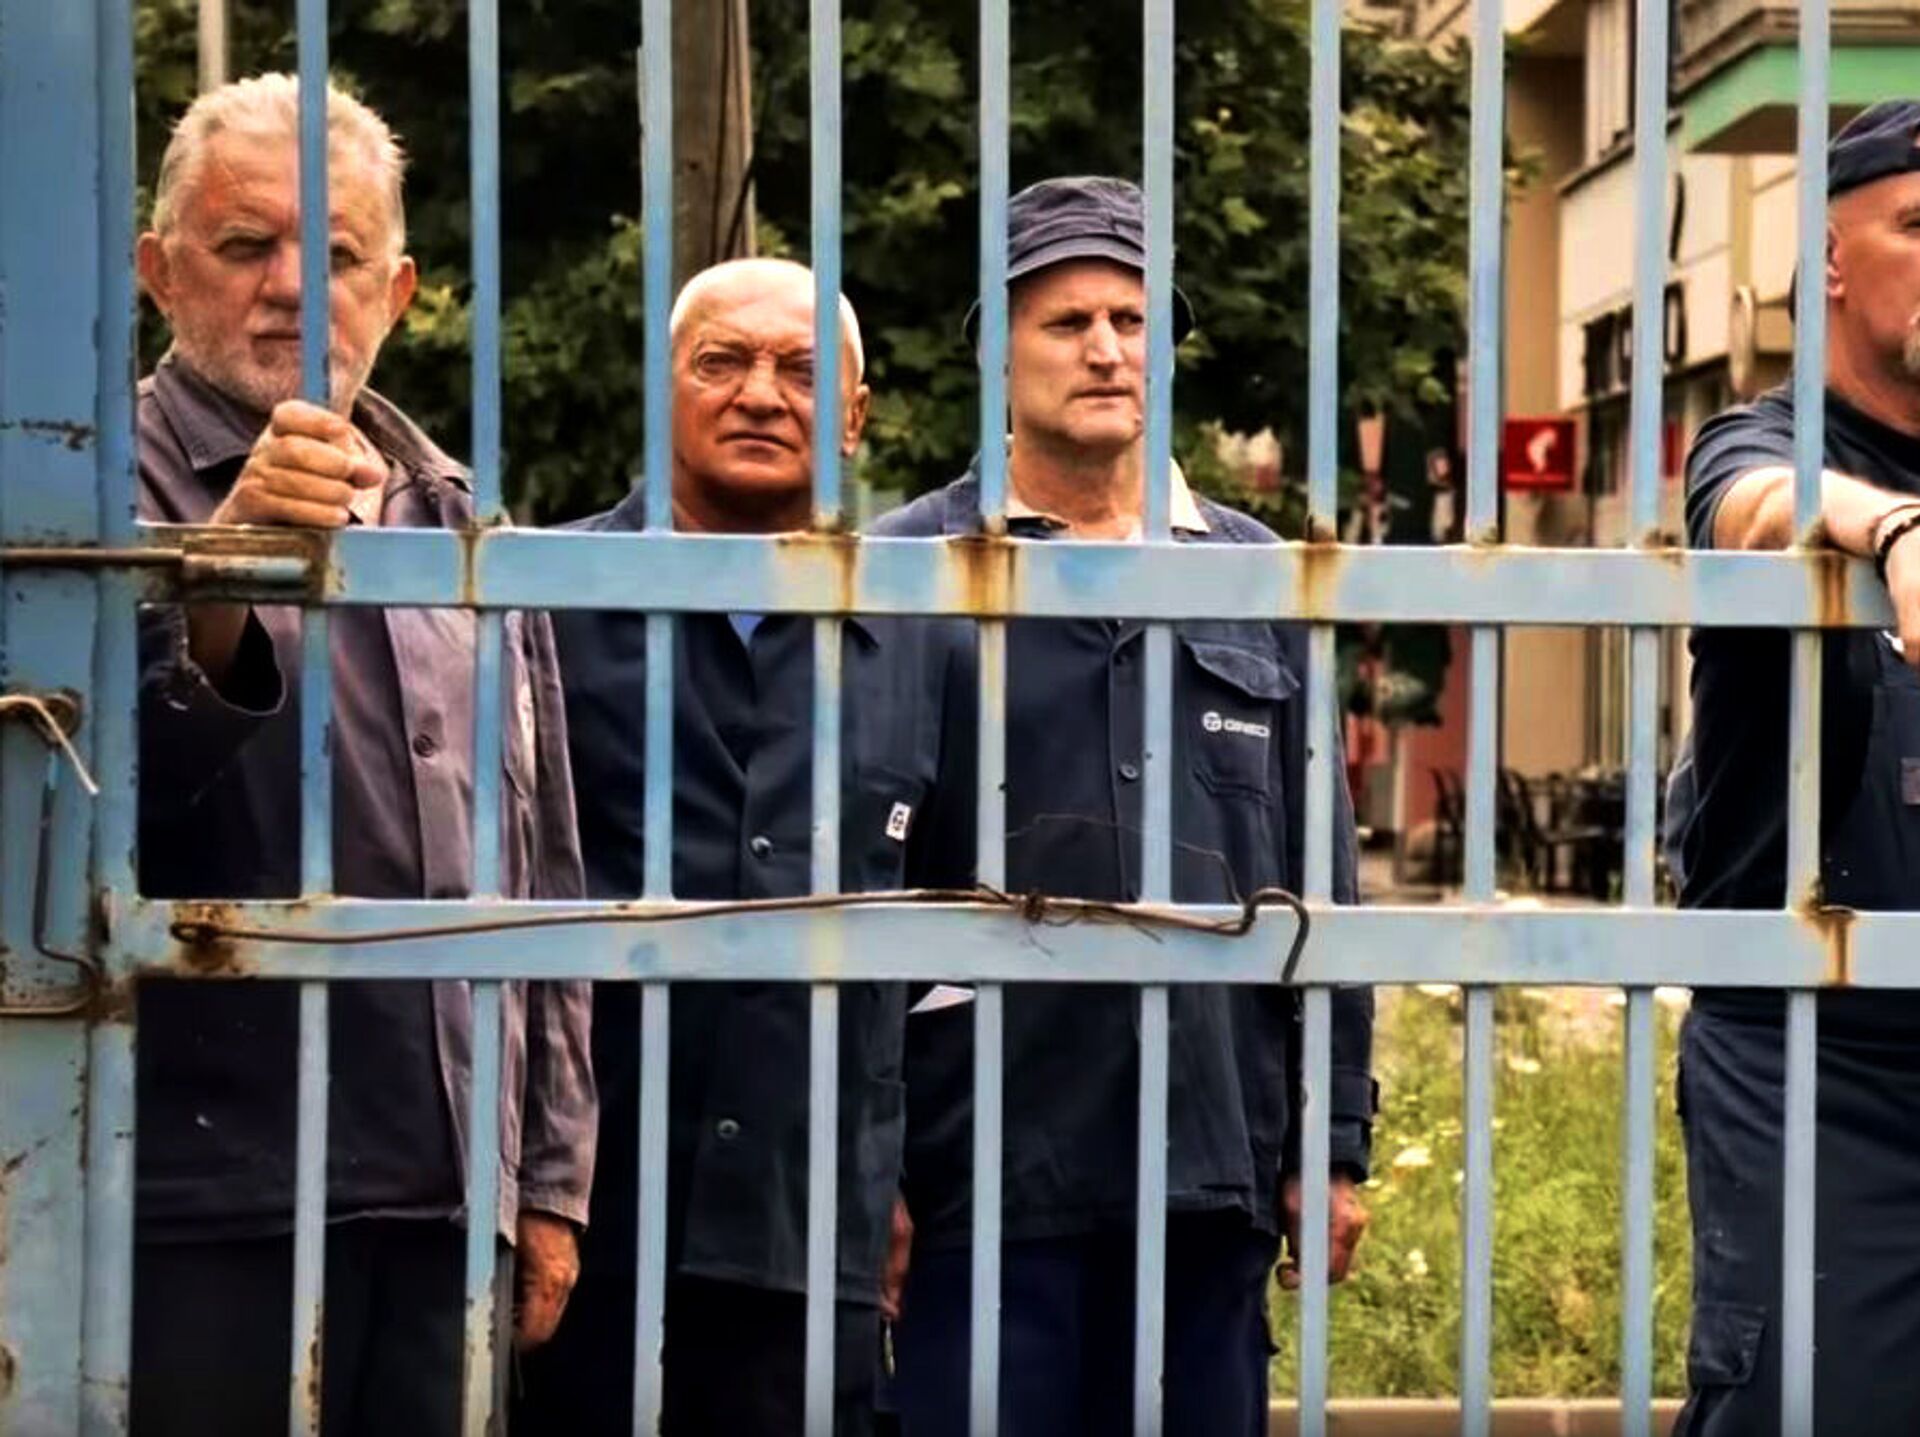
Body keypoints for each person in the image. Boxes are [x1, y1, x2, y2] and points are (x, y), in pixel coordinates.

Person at [874, 176, 1375, 1437]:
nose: (1106, 349)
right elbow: (850, 884)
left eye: (1132, 319)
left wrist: (1330, 1144)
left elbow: (1325, 886)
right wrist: (865, 1158)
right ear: (997, 353)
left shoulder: (1256, 576)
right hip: (983, 1166)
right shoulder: (907, 572)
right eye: (1067, 322)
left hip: (1209, 1160)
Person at [131, 74, 594, 1436]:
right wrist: (222, 566)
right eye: (244, 244)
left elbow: (542, 872)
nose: (291, 286)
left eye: (335, 253)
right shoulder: (91, 489)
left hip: (448, 1203)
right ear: (159, 273)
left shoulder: (456, 517)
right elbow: (73, 800)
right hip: (192, 1206)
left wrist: (547, 1181)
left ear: (396, 293)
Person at [514, 258, 972, 1436]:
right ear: (659, 390)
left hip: (809, 1218)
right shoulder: (541, 605)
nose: (761, 393)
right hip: (582, 1216)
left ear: (856, 417)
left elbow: (948, 940)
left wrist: (902, 1175)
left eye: (803, 371)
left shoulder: (926, 638)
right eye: (721, 361)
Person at [1670, 100, 1920, 1434]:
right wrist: (1891, 528)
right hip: (1821, 1055)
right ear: (1829, 258)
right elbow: (1759, 507)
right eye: (1918, 227)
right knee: (1805, 1403)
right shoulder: (1760, 439)